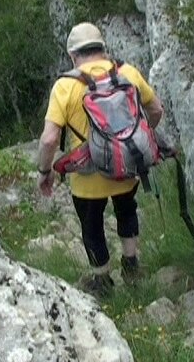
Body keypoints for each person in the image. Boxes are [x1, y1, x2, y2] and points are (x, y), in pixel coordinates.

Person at [37, 22, 164, 298]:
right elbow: (155, 109)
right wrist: (140, 140)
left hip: (87, 179)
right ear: (103, 49)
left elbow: (48, 140)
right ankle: (131, 265)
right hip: (126, 167)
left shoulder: (65, 86)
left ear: (73, 56)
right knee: (126, 210)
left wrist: (44, 171)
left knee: (92, 224)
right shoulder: (127, 73)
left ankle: (102, 280)